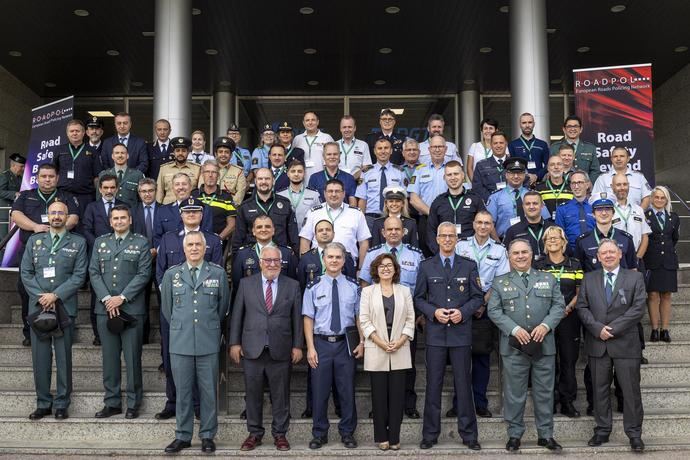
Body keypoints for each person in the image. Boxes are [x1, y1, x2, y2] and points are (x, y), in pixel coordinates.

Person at [487, 239, 565, 453]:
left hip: (544, 345)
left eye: (524, 252)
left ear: (531, 255)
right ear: (509, 257)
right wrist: (513, 329)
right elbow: (493, 311)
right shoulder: (500, 282)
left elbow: (559, 306)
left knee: (544, 392)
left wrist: (546, 325)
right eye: (515, 253)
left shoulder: (548, 279)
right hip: (513, 347)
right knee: (514, 393)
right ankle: (514, 434)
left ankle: (546, 435)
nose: (520, 256)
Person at [160, 231, 230, 454]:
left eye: (198, 244)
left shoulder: (217, 274)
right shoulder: (172, 275)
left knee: (209, 391)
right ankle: (182, 435)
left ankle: (208, 435)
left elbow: (222, 309)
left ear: (205, 247)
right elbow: (167, 309)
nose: (194, 248)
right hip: (180, 342)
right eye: (190, 244)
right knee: (183, 392)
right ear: (184, 248)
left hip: (208, 341)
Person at [415, 222, 483, 451]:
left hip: (460, 333)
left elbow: (477, 298)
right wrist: (433, 312)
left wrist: (462, 313)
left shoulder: (468, 265)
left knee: (464, 386)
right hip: (435, 334)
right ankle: (430, 434)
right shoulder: (426, 266)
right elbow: (418, 298)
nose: (446, 240)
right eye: (442, 236)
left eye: (450, 236)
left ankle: (469, 434)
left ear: (457, 239)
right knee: (433, 386)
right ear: (436, 239)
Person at [154, 199, 223, 422]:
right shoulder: (168, 238)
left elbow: (220, 288)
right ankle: (173, 402)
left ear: (202, 215)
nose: (191, 214)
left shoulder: (212, 240)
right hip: (176, 313)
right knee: (173, 359)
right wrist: (175, 312)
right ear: (180, 214)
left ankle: (199, 407)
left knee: (202, 367)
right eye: (187, 211)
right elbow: (161, 274)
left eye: (196, 211)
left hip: (204, 315)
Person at [230, 245, 303, 452]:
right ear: (260, 262)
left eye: (276, 261)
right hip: (252, 349)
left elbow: (297, 318)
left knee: (281, 395)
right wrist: (235, 343)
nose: (272, 264)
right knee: (252, 394)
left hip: (281, 349)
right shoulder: (246, 284)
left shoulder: (293, 285)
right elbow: (237, 316)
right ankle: (254, 433)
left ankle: (280, 434)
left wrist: (298, 345)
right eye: (267, 260)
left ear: (281, 263)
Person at [576, 239, 646, 452]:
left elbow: (638, 308)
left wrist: (612, 329)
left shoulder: (635, 277)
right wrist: (597, 328)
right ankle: (602, 430)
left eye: (611, 252)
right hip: (598, 343)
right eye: (603, 252)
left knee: (631, 391)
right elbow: (582, 307)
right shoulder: (589, 279)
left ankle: (634, 434)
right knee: (599, 390)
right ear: (597, 257)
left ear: (620, 254)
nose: (608, 255)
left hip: (626, 343)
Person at [20, 200, 88, 420]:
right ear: (47, 216)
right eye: (53, 213)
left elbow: (79, 275)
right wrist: (42, 296)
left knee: (63, 357)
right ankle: (43, 403)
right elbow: (26, 272)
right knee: (40, 358)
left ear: (67, 217)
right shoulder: (34, 240)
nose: (57, 216)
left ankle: (61, 403)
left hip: (64, 308)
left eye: (61, 213)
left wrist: (55, 295)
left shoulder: (78, 242)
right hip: (38, 308)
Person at [89, 205, 152, 420]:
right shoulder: (101, 242)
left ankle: (134, 403)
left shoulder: (141, 242)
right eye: (115, 218)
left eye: (123, 218)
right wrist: (107, 299)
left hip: (131, 309)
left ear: (130, 220)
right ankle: (112, 402)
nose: (119, 221)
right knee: (109, 358)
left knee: (133, 358)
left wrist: (122, 297)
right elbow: (94, 272)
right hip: (105, 309)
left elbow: (144, 274)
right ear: (110, 221)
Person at [360, 216, 423, 418]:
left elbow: (422, 287)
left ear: (404, 231)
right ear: (383, 232)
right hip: (379, 320)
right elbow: (364, 284)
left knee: (408, 365)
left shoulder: (416, 255)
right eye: (390, 229)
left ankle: (408, 405)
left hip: (406, 322)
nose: (394, 232)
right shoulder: (372, 254)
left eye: (398, 229)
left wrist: (418, 317)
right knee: (379, 367)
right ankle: (379, 406)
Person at [303, 242, 362, 450]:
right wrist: (310, 347)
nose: (334, 261)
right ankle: (319, 433)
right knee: (319, 391)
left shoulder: (354, 286)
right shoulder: (313, 286)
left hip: (345, 344)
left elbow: (358, 318)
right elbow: (308, 318)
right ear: (324, 260)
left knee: (346, 390)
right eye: (330, 257)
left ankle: (347, 433)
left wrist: (361, 342)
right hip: (321, 344)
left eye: (338, 257)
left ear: (344, 261)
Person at [11, 164, 79, 345]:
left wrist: (56, 229)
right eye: (43, 176)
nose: (47, 179)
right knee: (26, 291)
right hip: (31, 252)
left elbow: (73, 218)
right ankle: (30, 332)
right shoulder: (26, 195)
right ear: (37, 178)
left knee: (59, 289)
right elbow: (16, 215)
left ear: (57, 178)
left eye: (51, 176)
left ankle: (62, 326)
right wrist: (35, 227)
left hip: (61, 252)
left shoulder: (66, 196)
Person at [455, 211, 510, 419]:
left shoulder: (499, 250)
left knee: (481, 359)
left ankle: (480, 402)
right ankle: (459, 403)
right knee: (459, 359)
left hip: (485, 311)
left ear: (492, 225)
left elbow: (501, 281)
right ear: (473, 224)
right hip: (460, 309)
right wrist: (469, 306)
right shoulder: (461, 247)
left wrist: (481, 303)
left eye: (487, 223)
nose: (483, 226)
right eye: (479, 222)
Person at [359, 253, 415, 451]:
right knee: (379, 396)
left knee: (398, 396)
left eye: (389, 265)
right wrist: (380, 341)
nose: (385, 268)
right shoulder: (367, 292)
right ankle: (381, 436)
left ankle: (394, 437)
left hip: (399, 348)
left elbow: (410, 319)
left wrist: (400, 340)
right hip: (377, 347)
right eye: (381, 265)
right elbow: (364, 320)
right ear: (376, 269)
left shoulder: (404, 291)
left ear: (395, 269)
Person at [534, 226, 584, 418]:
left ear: (564, 242)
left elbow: (580, 294)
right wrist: (550, 314)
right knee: (546, 362)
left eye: (556, 238)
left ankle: (567, 402)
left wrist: (567, 308)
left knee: (568, 361)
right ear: (544, 243)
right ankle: (549, 401)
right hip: (544, 320)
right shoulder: (538, 266)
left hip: (568, 318)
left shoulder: (575, 264)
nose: (553, 241)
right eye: (548, 238)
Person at [83, 174, 127, 345]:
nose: (109, 191)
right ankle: (98, 334)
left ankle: (122, 327)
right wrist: (101, 246)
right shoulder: (92, 207)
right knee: (98, 295)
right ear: (100, 189)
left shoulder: (125, 206)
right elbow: (86, 229)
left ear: (117, 188)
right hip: (99, 255)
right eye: (105, 188)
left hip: (122, 256)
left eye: (112, 187)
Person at [300, 179, 371, 264]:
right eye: (330, 191)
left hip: (348, 264)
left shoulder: (356, 213)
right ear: (324, 194)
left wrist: (361, 269)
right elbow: (305, 240)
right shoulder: (313, 213)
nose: (333, 194)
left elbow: (363, 242)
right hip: (319, 265)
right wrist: (306, 265)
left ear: (344, 193)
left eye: (337, 191)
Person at [231, 167, 299, 254]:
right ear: (255, 181)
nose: (263, 182)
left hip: (280, 256)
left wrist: (295, 259)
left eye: (267, 179)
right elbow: (238, 239)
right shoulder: (245, 207)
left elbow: (293, 236)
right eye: (260, 179)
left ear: (273, 181)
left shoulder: (285, 204)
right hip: (252, 257)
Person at [644, 186, 680, 343]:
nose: (659, 200)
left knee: (666, 295)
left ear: (666, 200)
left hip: (668, 261)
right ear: (651, 199)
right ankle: (654, 329)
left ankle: (665, 329)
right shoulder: (646, 215)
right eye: (656, 197)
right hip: (651, 260)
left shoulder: (674, 217)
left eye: (662, 197)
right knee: (652, 295)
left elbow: (675, 238)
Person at [426, 161, 484, 255]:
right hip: (445, 252)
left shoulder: (475, 199)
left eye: (456, 174)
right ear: (444, 178)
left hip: (472, 253)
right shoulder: (438, 202)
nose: (453, 178)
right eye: (449, 175)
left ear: (463, 176)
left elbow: (483, 226)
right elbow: (431, 231)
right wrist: (439, 253)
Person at [232, 215, 298, 295]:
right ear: (253, 231)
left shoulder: (287, 254)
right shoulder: (242, 254)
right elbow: (237, 286)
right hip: (251, 304)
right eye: (259, 227)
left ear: (273, 230)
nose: (263, 230)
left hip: (279, 303)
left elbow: (292, 285)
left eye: (267, 227)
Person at [53, 119, 101, 219]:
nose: (74, 133)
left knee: (85, 223)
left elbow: (97, 176)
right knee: (62, 221)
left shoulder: (92, 151)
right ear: (67, 133)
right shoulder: (59, 150)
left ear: (83, 133)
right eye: (72, 131)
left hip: (86, 196)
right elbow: (54, 172)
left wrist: (98, 197)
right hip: (63, 195)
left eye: (77, 131)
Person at [575, 196, 637, 273]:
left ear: (613, 213)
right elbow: (579, 271)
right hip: (593, 284)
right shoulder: (583, 241)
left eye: (607, 209)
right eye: (599, 209)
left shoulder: (626, 239)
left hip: (621, 284)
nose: (604, 213)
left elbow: (633, 269)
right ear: (593, 214)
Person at [131, 178, 159, 343]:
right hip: (139, 262)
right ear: (139, 193)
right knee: (141, 300)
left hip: (160, 260)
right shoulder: (132, 211)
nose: (147, 194)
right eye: (143, 191)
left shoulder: (164, 209)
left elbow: (168, 234)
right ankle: (144, 337)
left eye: (150, 191)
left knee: (163, 300)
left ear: (155, 191)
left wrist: (157, 249)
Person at [152, 172, 213, 249]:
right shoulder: (162, 211)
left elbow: (207, 236)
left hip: (196, 254)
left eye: (184, 184)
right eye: (177, 184)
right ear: (173, 188)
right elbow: (157, 238)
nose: (181, 187)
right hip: (171, 257)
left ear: (190, 187)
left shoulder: (204, 208)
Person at [356, 138, 405, 228]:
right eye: (379, 148)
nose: (383, 151)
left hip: (394, 217)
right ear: (374, 151)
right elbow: (362, 199)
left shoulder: (400, 171)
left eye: (386, 148)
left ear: (391, 151)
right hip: (371, 218)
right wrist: (361, 221)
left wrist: (405, 219)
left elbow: (404, 199)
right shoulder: (366, 172)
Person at [408, 135, 450, 236]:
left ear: (446, 149)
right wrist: (432, 213)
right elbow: (413, 199)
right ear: (429, 149)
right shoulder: (419, 170)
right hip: (426, 219)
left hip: (450, 219)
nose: (437, 150)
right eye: (434, 147)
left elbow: (464, 192)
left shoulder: (454, 168)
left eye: (440, 147)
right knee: (426, 251)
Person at [298, 219, 356, 290]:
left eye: (328, 230)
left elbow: (352, 283)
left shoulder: (345, 256)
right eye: (320, 230)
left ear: (333, 234)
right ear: (315, 235)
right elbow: (301, 285)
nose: (324, 232)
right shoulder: (306, 258)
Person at [502, 191, 555, 261]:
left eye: (535, 203)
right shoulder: (513, 231)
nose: (531, 206)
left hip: (550, 270)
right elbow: (506, 257)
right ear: (523, 206)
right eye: (527, 204)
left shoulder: (554, 229)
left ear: (542, 205)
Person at [192, 160, 237, 242]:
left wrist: (217, 239)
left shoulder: (226, 197)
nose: (210, 175)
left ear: (218, 175)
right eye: (207, 172)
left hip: (218, 242)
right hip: (195, 242)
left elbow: (232, 224)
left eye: (214, 172)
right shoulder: (193, 195)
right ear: (202, 174)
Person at [611, 174, 650, 264]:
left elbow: (645, 237)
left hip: (636, 258)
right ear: (612, 187)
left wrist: (637, 258)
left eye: (625, 184)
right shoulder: (608, 210)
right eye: (618, 185)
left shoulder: (638, 209)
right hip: (614, 260)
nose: (622, 187)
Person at [549, 115, 600, 183]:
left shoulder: (590, 148)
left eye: (575, 126)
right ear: (564, 129)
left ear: (581, 129)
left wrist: (588, 184)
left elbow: (595, 171)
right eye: (569, 126)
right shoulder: (555, 147)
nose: (572, 129)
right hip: (561, 188)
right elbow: (550, 168)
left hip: (583, 189)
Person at [554, 170, 595, 252]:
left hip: (593, 251)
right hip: (571, 253)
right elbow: (560, 235)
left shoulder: (595, 207)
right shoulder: (562, 209)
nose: (576, 187)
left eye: (580, 182)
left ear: (587, 185)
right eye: (573, 183)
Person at [276, 159, 321, 231]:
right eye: (293, 171)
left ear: (304, 174)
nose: (296, 174)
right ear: (288, 174)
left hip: (308, 235)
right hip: (287, 237)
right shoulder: (279, 195)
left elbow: (319, 217)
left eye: (300, 171)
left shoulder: (314, 194)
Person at [156, 137, 201, 205]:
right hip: (168, 208)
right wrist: (158, 208)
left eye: (183, 151)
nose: (180, 153)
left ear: (188, 152)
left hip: (189, 208)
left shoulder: (197, 169)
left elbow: (199, 192)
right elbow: (159, 192)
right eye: (177, 150)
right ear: (173, 152)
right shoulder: (164, 168)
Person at [98, 143, 145, 209]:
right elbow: (99, 200)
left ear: (127, 156)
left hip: (131, 214)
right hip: (110, 215)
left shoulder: (138, 175)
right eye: (117, 153)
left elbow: (142, 200)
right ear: (112, 156)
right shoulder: (103, 175)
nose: (120, 155)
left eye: (123, 153)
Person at [508, 112, 549, 185]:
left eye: (530, 122)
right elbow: (511, 165)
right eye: (524, 123)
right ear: (520, 125)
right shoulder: (513, 145)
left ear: (534, 124)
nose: (527, 125)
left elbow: (548, 165)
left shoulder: (542, 144)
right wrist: (526, 176)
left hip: (539, 183)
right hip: (520, 184)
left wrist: (537, 176)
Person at [292, 111, 335, 181]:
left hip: (322, 180)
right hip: (302, 180)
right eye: (307, 120)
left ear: (317, 122)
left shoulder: (327, 138)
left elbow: (335, 158)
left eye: (313, 120)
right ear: (303, 123)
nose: (310, 122)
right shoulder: (297, 139)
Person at [206, 136, 247, 206]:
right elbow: (201, 189)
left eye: (226, 152)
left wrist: (228, 207)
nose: (223, 155)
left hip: (230, 208)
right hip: (209, 206)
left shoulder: (238, 171)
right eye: (220, 152)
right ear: (216, 154)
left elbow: (240, 193)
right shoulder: (207, 169)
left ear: (231, 155)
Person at [471, 131, 510, 202]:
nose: (498, 146)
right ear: (491, 145)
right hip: (489, 205)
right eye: (495, 143)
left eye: (501, 143)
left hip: (511, 204)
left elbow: (523, 183)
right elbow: (477, 188)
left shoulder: (514, 163)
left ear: (506, 144)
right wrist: (493, 200)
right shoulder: (481, 165)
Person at [535, 154, 573, 220]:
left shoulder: (572, 187)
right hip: (546, 227)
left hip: (568, 226)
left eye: (559, 164)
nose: (556, 167)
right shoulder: (539, 189)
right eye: (552, 164)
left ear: (563, 167)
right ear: (548, 168)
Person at [336, 115, 371, 180]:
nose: (347, 130)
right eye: (344, 127)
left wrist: (354, 177)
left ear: (355, 128)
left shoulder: (363, 145)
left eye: (350, 127)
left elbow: (367, 167)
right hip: (337, 182)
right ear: (340, 129)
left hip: (357, 183)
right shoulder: (335, 145)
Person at [0, 152, 25, 240]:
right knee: (4, 239)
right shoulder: (4, 176)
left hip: (14, 213)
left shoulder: (20, 178)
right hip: (4, 214)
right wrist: (14, 194)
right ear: (14, 165)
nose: (23, 169)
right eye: (21, 166)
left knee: (12, 239)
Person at [466, 118, 500, 182]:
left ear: (496, 130)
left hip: (496, 184)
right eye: (485, 128)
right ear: (482, 131)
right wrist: (475, 184)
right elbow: (469, 168)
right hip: (478, 183)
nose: (488, 131)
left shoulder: (501, 147)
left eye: (491, 128)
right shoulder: (474, 146)